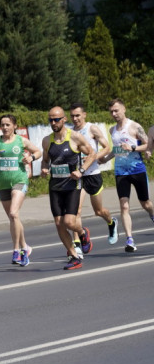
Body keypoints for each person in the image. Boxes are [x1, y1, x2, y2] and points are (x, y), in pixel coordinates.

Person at [0, 114, 43, 266]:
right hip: (3, 184)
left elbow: (38, 152)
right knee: (13, 218)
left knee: (14, 213)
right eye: (2, 125)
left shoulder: (21, 140)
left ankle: (17, 250)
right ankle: (25, 247)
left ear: (15, 126)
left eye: (8, 125)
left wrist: (31, 158)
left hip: (19, 180)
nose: (4, 128)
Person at [41, 106, 96, 270]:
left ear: (64, 119)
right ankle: (74, 255)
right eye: (50, 119)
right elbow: (45, 160)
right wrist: (44, 168)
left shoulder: (75, 138)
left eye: (56, 119)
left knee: (69, 222)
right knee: (59, 223)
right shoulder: (47, 140)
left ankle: (83, 233)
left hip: (72, 185)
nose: (53, 122)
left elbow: (91, 154)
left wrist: (81, 171)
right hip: (55, 186)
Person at [100, 99, 154, 252]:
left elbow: (148, 145)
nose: (114, 114)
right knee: (124, 206)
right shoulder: (112, 130)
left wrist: (132, 147)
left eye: (116, 110)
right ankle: (129, 240)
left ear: (124, 109)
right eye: (111, 111)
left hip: (137, 169)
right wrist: (105, 159)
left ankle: (152, 213)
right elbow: (116, 150)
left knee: (146, 203)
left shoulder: (135, 126)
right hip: (121, 172)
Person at [68, 103, 118, 245]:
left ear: (84, 114)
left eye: (77, 115)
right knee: (76, 211)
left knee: (99, 211)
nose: (75, 118)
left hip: (93, 174)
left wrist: (93, 158)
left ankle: (111, 222)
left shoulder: (91, 128)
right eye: (72, 116)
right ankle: (77, 243)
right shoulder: (70, 132)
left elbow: (107, 147)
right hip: (78, 176)